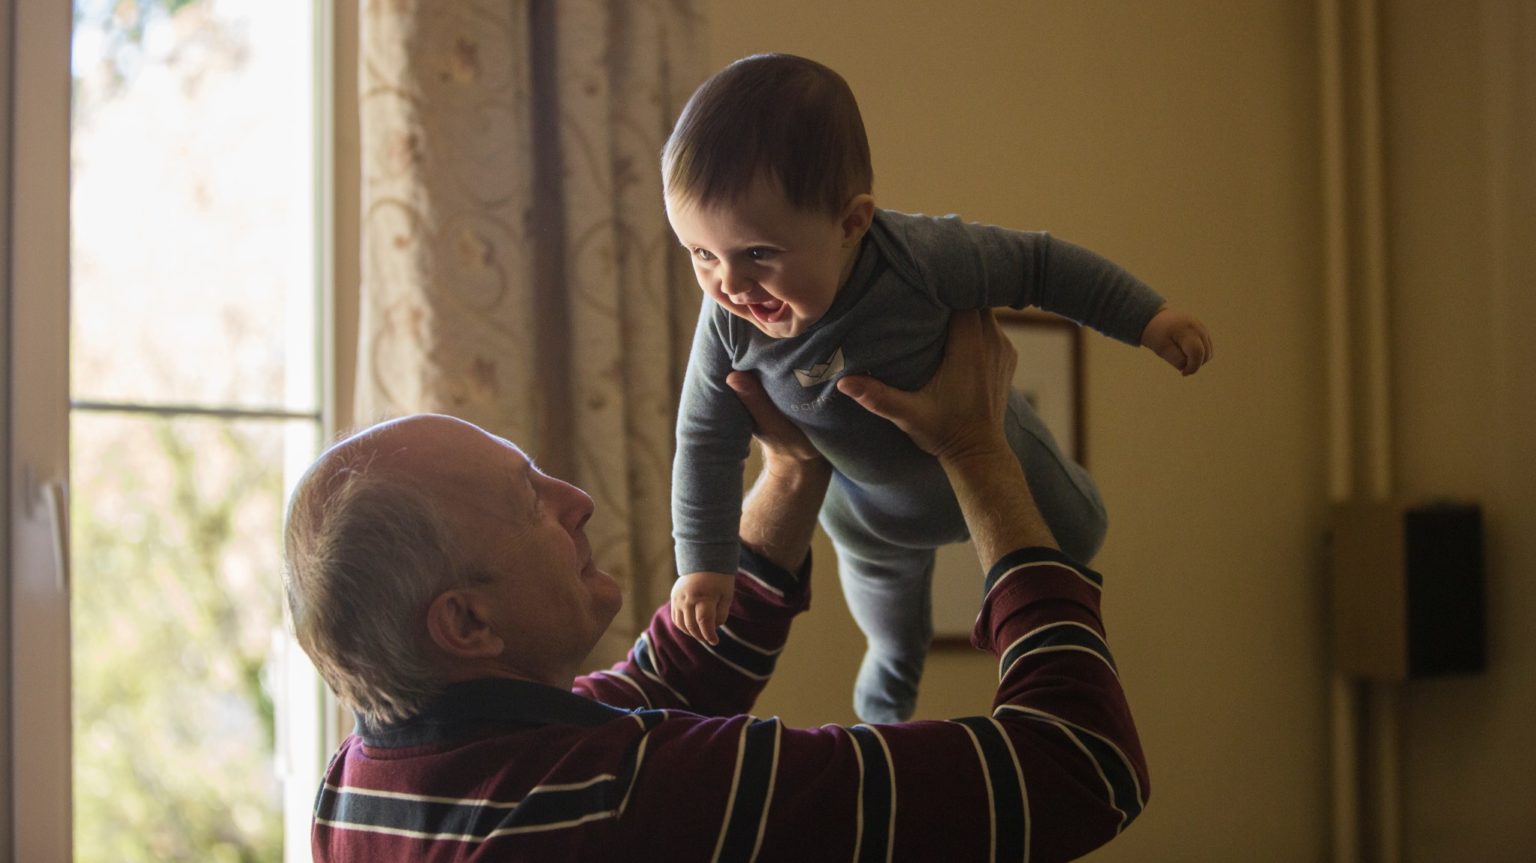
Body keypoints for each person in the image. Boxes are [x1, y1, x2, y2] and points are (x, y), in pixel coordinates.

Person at [284, 310, 1149, 862]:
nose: (577, 501)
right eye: (530, 501)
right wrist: (977, 451)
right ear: (466, 621)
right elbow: (1079, 767)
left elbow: (662, 682)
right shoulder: (631, 801)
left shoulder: (362, 785)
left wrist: (790, 468)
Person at [664, 53, 1213, 722]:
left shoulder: (921, 257)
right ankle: (884, 720)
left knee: (1082, 533)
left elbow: (1041, 265)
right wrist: (704, 563)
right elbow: (703, 441)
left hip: (995, 446)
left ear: (851, 223)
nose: (729, 284)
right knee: (894, 638)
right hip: (870, 517)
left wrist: (1148, 317)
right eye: (700, 253)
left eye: (757, 253)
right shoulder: (726, 324)